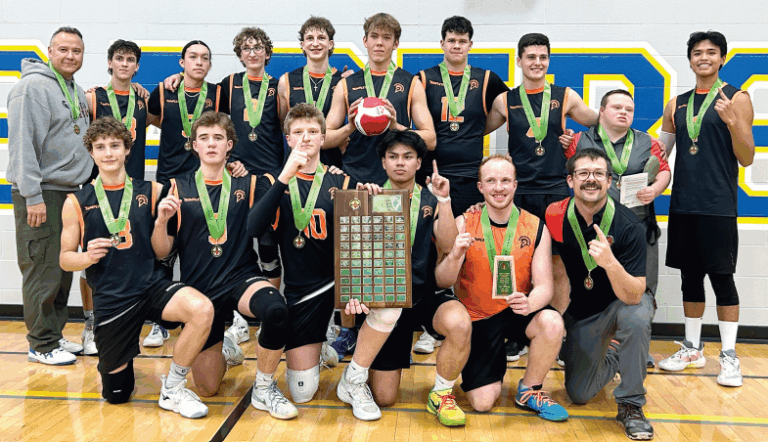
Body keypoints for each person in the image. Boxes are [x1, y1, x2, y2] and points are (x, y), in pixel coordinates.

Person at [248, 103, 401, 421]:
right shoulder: (270, 181)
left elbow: (365, 245)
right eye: (298, 132)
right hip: (302, 293)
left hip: (338, 283)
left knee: (390, 305)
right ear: (288, 139)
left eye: (313, 132)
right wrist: (285, 176)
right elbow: (254, 228)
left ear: (323, 138)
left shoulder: (343, 182)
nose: (305, 138)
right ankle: (320, 349)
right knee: (302, 393)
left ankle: (354, 379)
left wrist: (372, 202)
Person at [60, 117, 214, 418]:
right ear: (91, 152)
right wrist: (87, 257)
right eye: (100, 147)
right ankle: (122, 366)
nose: (108, 153)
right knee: (117, 395)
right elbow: (65, 259)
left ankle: (173, 388)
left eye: (114, 145)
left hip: (151, 286)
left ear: (127, 149)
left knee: (201, 309)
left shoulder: (153, 190)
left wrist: (161, 222)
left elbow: (162, 251)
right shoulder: (76, 201)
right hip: (113, 299)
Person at [152, 111, 296, 419]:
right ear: (194, 145)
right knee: (208, 388)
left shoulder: (249, 182)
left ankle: (264, 387)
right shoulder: (176, 187)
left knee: (276, 310)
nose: (211, 144)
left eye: (218, 138)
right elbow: (162, 251)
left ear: (229, 145)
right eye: (204, 138)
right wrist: (161, 222)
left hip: (241, 278)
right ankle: (226, 349)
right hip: (200, 290)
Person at [485, 33, 598, 358]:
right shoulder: (504, 101)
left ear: (548, 61)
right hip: (518, 193)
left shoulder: (565, 96)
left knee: (558, 267)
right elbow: (473, 130)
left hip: (555, 193)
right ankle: (518, 332)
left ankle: (557, 332)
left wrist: (577, 141)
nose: (537, 63)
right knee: (516, 266)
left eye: (542, 57)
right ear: (519, 60)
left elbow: (600, 123)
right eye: (531, 57)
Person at [435, 154, 568, 422]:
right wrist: (455, 256)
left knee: (552, 322)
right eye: (491, 181)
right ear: (480, 187)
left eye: (505, 180)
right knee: (483, 403)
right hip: (478, 316)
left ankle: (530, 390)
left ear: (515, 185)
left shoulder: (535, 226)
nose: (499, 187)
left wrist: (530, 303)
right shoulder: (465, 222)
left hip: (517, 310)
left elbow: (545, 287)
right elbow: (442, 281)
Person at [657, 31, 755, 387]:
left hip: (718, 205)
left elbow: (747, 157)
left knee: (722, 279)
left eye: (711, 52)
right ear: (689, 60)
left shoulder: (737, 98)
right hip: (684, 204)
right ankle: (692, 348)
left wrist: (732, 121)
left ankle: (729, 355)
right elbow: (660, 154)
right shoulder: (676, 104)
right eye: (697, 52)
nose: (704, 58)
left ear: (722, 59)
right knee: (690, 278)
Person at [357, 130, 470, 427]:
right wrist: (363, 205)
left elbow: (448, 244)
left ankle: (442, 393)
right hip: (387, 300)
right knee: (384, 397)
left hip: (424, 294)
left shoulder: (432, 198)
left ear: (419, 163)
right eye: (393, 156)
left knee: (459, 322)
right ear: (383, 162)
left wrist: (445, 201)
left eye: (408, 157)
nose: (400, 163)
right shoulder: (369, 195)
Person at [545, 148, 654, 440]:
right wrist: (557, 322)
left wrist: (610, 264)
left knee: (637, 315)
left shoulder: (629, 225)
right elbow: (555, 271)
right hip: (584, 313)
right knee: (579, 393)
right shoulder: (555, 215)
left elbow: (635, 293)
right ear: (570, 180)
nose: (590, 179)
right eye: (583, 173)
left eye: (598, 174)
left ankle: (631, 405)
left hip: (622, 304)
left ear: (609, 181)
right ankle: (616, 353)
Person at [562, 89, 671, 367]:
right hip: (593, 228)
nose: (624, 112)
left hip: (637, 227)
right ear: (601, 111)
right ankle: (587, 346)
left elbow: (664, 170)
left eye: (629, 109)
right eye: (617, 107)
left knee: (641, 290)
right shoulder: (579, 141)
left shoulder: (648, 141)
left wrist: (655, 189)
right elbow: (568, 174)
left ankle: (636, 346)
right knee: (592, 288)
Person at [7, 26, 92, 365]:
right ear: (50, 52)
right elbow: (22, 146)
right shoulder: (31, 88)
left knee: (61, 268)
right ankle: (40, 344)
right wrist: (33, 196)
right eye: (64, 49)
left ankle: (53, 335)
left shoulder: (74, 89)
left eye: (77, 51)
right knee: (42, 268)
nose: (70, 56)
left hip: (69, 192)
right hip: (43, 192)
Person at [85, 39, 152, 354]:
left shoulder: (143, 99)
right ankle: (90, 323)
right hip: (98, 187)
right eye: (119, 58)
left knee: (133, 253)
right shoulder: (93, 97)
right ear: (110, 62)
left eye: (130, 60)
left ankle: (133, 320)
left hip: (132, 186)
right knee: (93, 255)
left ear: (136, 66)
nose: (124, 64)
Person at [324, 12, 436, 185]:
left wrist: (396, 127)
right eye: (374, 36)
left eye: (386, 37)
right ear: (365, 41)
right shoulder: (346, 85)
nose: (379, 43)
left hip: (396, 181)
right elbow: (324, 139)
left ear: (395, 43)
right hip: (354, 178)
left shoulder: (411, 83)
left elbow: (431, 140)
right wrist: (350, 128)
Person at [417, 15, 509, 215]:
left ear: (470, 45)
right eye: (451, 40)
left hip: (471, 176)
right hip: (432, 174)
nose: (457, 46)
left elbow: (516, 110)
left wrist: (478, 129)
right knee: (432, 232)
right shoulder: (423, 78)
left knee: (467, 231)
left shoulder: (486, 79)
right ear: (442, 43)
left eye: (462, 41)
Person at [147, 40, 220, 184]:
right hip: (168, 177)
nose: (199, 62)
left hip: (203, 178)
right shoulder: (163, 91)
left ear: (209, 65)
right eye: (193, 57)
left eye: (204, 58)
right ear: (182, 62)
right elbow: (146, 120)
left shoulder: (217, 93)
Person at [278, 16, 345, 168]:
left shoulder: (343, 82)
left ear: (330, 44)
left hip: (332, 166)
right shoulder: (286, 81)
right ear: (302, 45)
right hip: (296, 166)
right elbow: (284, 125)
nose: (315, 43)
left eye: (321, 38)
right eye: (309, 38)